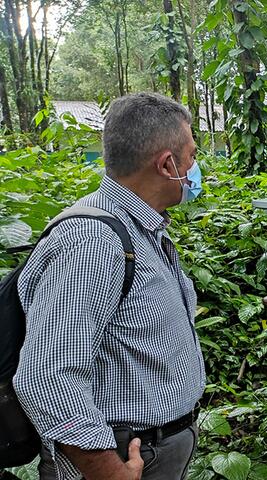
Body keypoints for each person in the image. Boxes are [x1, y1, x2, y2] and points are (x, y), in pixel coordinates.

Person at [14, 92, 206, 480]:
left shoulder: (141, 228)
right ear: (168, 165)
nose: (195, 166)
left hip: (152, 450)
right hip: (124, 458)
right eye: (191, 156)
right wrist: (109, 471)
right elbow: (45, 375)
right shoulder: (93, 243)